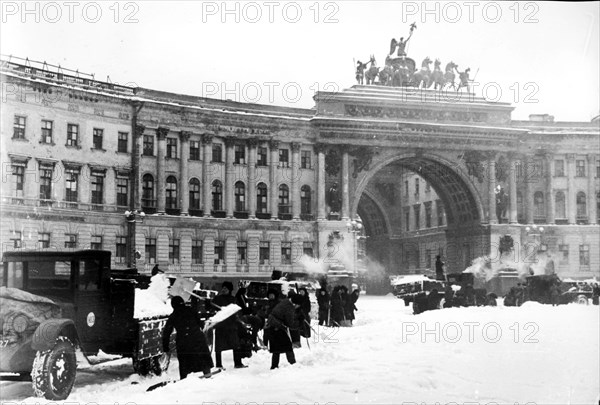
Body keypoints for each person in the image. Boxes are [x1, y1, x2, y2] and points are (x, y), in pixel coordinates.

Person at [162, 296, 214, 379]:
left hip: (184, 341)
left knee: (184, 363)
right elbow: (201, 324)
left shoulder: (173, 315)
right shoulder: (191, 310)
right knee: (203, 359)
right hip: (198, 338)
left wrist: (166, 348)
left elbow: (166, 333)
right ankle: (208, 374)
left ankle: (183, 379)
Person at [212, 281, 246, 369]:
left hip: (231, 325)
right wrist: (209, 303)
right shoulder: (217, 299)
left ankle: (238, 363)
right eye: (223, 288)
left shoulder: (233, 299)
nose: (223, 290)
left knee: (235, 344)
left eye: (226, 288)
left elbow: (237, 311)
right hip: (220, 325)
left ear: (230, 290)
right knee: (218, 346)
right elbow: (211, 308)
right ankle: (219, 365)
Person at [265, 293, 303, 370]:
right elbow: (290, 324)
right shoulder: (289, 307)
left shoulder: (285, 302)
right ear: (296, 304)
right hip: (277, 327)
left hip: (272, 325)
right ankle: (293, 364)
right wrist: (299, 321)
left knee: (276, 348)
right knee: (288, 346)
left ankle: (274, 366)